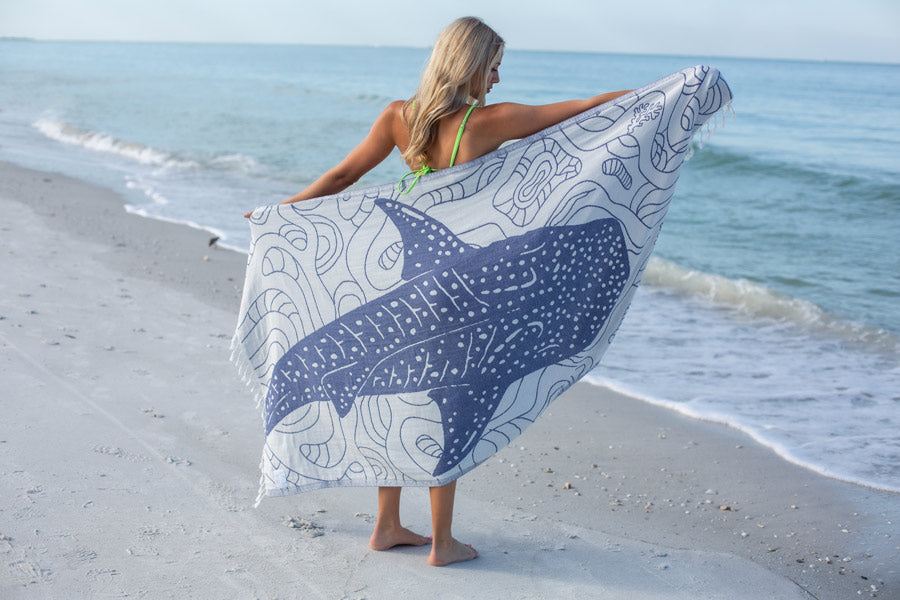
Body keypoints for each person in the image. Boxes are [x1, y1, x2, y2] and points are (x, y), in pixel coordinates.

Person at [245, 16, 632, 566]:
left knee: (405, 410)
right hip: (465, 290)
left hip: (412, 284)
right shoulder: (491, 122)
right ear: (472, 65)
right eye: (493, 68)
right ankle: (442, 543)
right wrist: (665, 94)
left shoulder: (399, 118)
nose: (496, 80)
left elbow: (340, 178)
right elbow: (585, 108)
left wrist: (279, 213)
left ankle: (386, 527)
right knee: (453, 408)